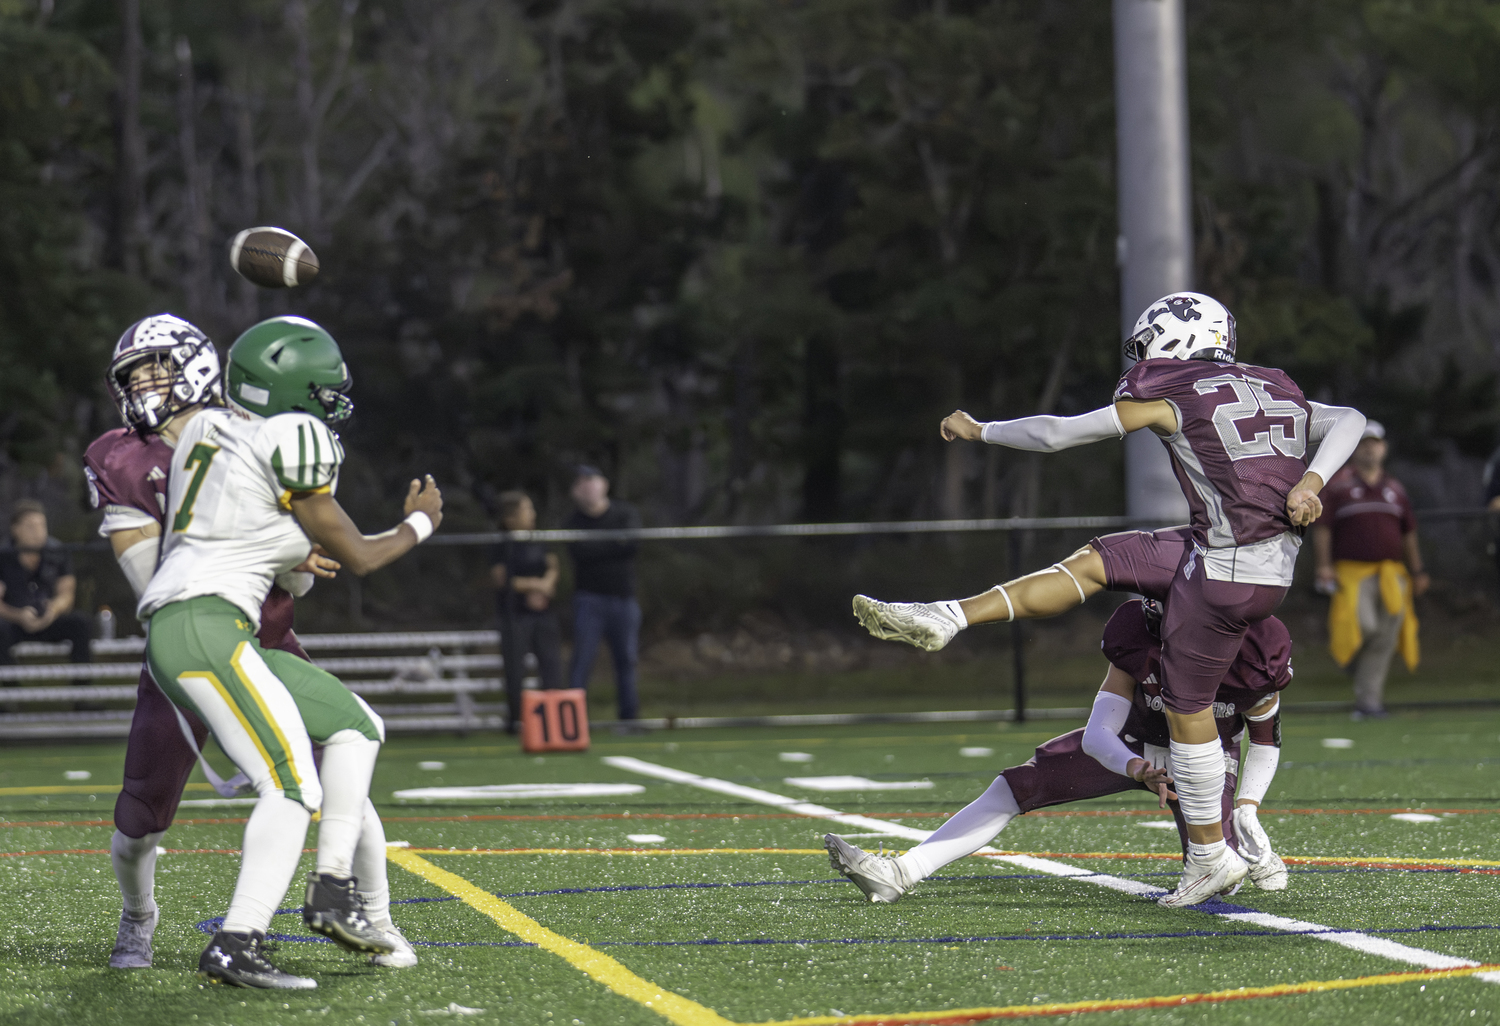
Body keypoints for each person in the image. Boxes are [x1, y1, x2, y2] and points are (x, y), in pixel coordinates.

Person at [852, 291, 1364, 906]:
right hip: (1234, 555)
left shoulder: (1170, 392)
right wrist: (1312, 479)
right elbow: (1350, 420)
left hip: (1227, 570)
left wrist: (981, 428)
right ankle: (949, 614)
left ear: (1174, 338)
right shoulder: (1273, 384)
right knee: (1097, 562)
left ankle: (1209, 856)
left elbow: (1058, 434)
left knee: (1188, 708)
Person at [87, 314, 417, 974]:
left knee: (340, 765)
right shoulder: (121, 457)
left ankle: (374, 919)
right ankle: (142, 917)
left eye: (156, 367)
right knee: (141, 818)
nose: (143, 384)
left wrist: (295, 558)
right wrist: (285, 551)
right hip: (192, 633)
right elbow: (151, 573)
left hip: (264, 634)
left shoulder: (253, 428)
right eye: (134, 375)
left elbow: (303, 550)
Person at [827, 599, 1290, 903]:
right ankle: (901, 873)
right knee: (1016, 785)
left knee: (1218, 873)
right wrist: (1135, 767)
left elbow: (1265, 739)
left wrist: (1247, 807)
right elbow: (1097, 733)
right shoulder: (1138, 632)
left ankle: (1249, 852)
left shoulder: (1257, 650)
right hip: (1134, 740)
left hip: (1207, 758)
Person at [1312, 420, 1426, 719]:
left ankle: (1369, 702)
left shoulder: (1395, 488)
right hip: (1352, 572)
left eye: (1374, 443)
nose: (1369, 449)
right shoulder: (1339, 486)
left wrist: (1418, 570)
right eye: (1363, 443)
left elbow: (1408, 533)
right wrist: (1324, 565)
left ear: (1383, 447)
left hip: (1391, 573)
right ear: (1353, 448)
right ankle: (1350, 661)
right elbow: (1323, 529)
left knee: (1387, 636)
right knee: (1363, 627)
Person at [565, 466, 642, 721]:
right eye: (581, 483)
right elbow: (580, 552)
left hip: (623, 599)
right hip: (589, 600)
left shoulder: (624, 513)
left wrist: (597, 546)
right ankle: (573, 721)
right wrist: (612, 544)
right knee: (582, 661)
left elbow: (630, 545)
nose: (587, 487)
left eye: (592, 481)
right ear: (575, 491)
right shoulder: (573, 522)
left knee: (627, 661)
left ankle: (629, 719)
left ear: (604, 484)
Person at [0, 500, 94, 686]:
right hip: (15, 622)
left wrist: (53, 610)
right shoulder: (3, 555)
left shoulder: (58, 551)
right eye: (30, 526)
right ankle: (10, 695)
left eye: (41, 525)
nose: (38, 531)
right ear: (15, 529)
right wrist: (18, 615)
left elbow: (67, 594)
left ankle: (83, 694)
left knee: (80, 623)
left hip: (49, 618)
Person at [490, 490, 564, 691]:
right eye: (527, 509)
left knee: (552, 668)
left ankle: (551, 717)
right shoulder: (501, 544)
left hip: (543, 613)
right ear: (510, 517)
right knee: (515, 672)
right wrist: (533, 585)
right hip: (515, 615)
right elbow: (501, 578)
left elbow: (553, 566)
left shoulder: (538, 540)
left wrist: (545, 586)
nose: (532, 514)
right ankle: (517, 719)